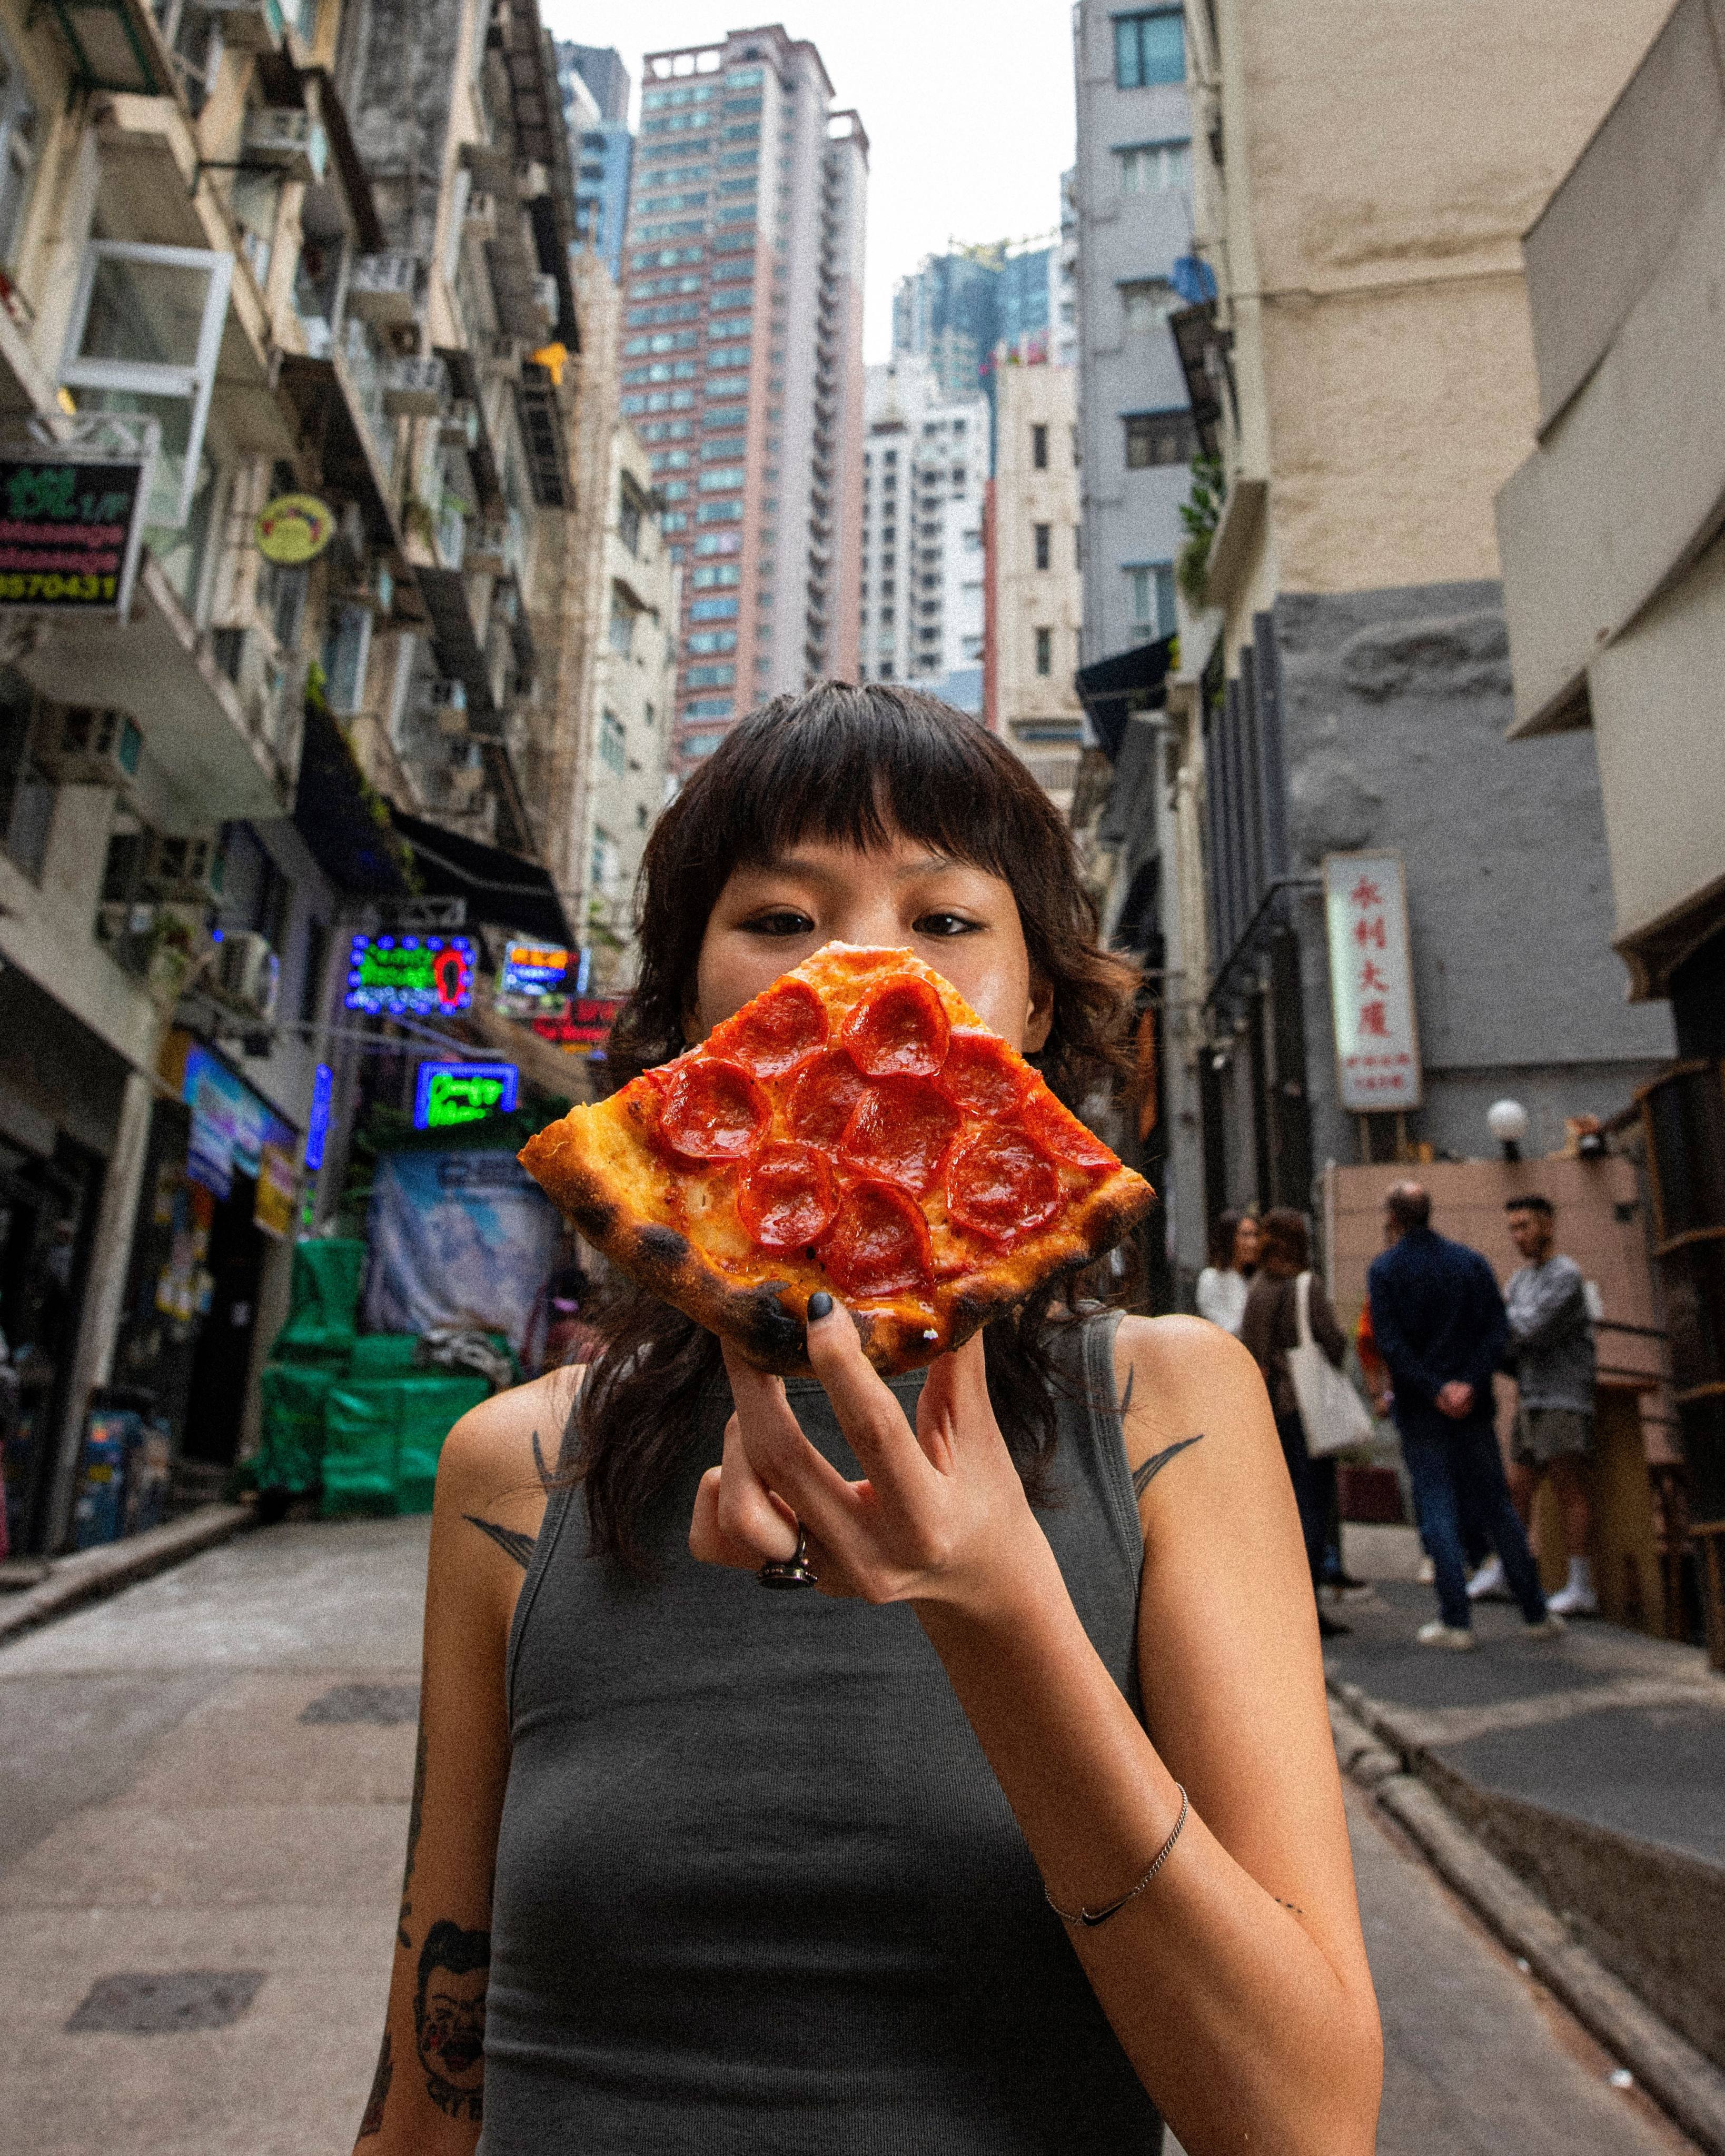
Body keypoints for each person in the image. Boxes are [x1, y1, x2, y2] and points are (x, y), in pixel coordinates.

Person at [353, 685, 1382, 2156]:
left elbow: (1302, 2118)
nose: (857, 975)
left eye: (946, 919)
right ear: (689, 1007)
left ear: (1032, 1007)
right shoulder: (510, 1467)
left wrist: (998, 1607)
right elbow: (425, 2091)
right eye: (777, 918)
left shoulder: (1165, 1404)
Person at [1367, 1181, 1562, 1650]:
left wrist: (1434, 1388)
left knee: (1436, 1505)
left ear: (1394, 1217)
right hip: (1473, 1407)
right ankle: (1535, 1611)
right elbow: (1497, 1329)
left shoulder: (1385, 1270)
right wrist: (1468, 1383)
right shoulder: (1469, 1262)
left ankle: (1456, 1620)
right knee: (1497, 1504)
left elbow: (1390, 1343)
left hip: (1421, 1406)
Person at [1469, 1195, 1598, 1616]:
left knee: (1568, 1487)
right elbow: (1505, 1333)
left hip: (1563, 1397)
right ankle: (1508, 1567)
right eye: (1513, 1228)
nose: (1518, 1235)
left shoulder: (1566, 1275)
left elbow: (1526, 1327)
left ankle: (1581, 1585)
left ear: (1547, 1223)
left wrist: (1495, 1326)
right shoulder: (1522, 1280)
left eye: (1524, 1225)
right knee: (1517, 1487)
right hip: (1532, 1395)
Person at [1240, 1209, 1353, 1640]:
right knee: (1313, 1504)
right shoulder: (1307, 1285)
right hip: (1309, 1408)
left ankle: (1287, 1600)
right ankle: (1311, 1601)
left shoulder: (1259, 1288)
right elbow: (1333, 1340)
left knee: (1285, 1505)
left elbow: (1253, 1350)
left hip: (1276, 1409)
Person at [1195, 1208, 1260, 1335]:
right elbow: (1223, 1327)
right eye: (1245, 1235)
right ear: (1229, 1238)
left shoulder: (1255, 1279)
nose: (1253, 1243)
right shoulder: (1211, 1278)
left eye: (1255, 1235)